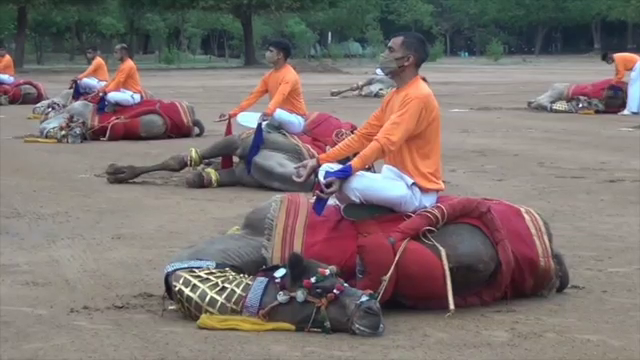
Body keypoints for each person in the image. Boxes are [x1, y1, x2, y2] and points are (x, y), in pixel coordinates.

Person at [293, 32, 444, 214]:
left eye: (390, 50)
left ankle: (360, 208)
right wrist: (318, 160)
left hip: (415, 190)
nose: (384, 55)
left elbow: (384, 143)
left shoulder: (418, 96)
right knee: (326, 170)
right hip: (392, 180)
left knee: (346, 182)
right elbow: (363, 136)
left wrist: (344, 173)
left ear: (407, 60)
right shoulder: (394, 95)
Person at [217, 39, 308, 135]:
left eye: (270, 51)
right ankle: (269, 126)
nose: (267, 54)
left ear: (279, 55)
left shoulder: (290, 75)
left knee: (276, 113)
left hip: (295, 120)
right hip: (274, 116)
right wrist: (232, 114)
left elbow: (280, 96)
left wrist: (268, 112)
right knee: (241, 117)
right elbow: (254, 96)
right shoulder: (269, 76)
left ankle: (268, 127)